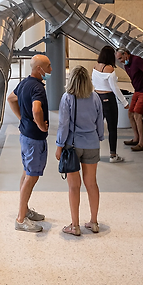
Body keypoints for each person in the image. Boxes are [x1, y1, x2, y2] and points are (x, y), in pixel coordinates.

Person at [55, 66, 104, 236]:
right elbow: (99, 121)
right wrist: (99, 137)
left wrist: (59, 145)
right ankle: (94, 222)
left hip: (72, 147)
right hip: (92, 144)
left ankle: (74, 225)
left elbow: (63, 125)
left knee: (74, 187)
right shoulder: (95, 97)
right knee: (92, 183)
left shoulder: (67, 98)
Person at [7, 53, 51, 232]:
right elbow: (36, 109)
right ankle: (20, 219)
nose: (50, 70)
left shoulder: (25, 83)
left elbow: (11, 98)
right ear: (39, 69)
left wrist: (22, 118)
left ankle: (24, 210)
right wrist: (40, 125)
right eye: (48, 66)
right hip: (34, 139)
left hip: (25, 136)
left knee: (27, 173)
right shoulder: (38, 88)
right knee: (32, 176)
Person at [92, 44, 129, 163]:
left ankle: (93, 153)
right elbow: (115, 88)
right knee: (112, 128)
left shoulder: (95, 67)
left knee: (96, 127)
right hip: (109, 99)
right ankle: (113, 155)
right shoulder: (110, 70)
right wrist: (124, 102)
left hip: (97, 97)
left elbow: (94, 83)